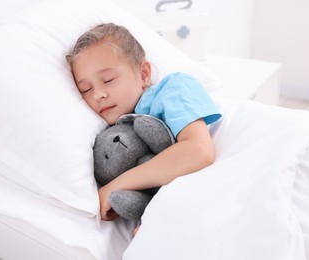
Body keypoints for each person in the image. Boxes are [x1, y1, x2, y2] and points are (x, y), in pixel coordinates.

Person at [67, 23, 221, 227]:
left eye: (108, 79)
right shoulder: (112, 132)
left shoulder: (172, 89)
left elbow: (199, 150)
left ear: (144, 74)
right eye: (86, 89)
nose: (98, 95)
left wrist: (115, 186)